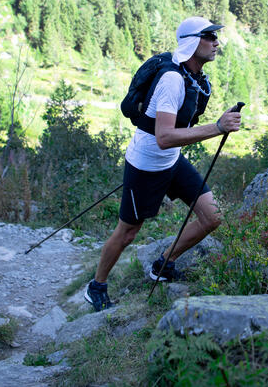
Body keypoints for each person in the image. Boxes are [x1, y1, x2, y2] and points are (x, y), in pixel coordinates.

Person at [84, 17, 242, 311]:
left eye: (215, 36)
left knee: (213, 217)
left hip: (170, 162)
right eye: (209, 36)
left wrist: (217, 125)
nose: (216, 42)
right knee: (128, 232)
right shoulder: (172, 80)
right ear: (193, 42)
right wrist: (218, 127)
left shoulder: (193, 75)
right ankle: (96, 286)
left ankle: (163, 263)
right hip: (146, 165)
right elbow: (165, 137)